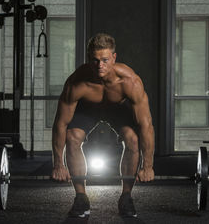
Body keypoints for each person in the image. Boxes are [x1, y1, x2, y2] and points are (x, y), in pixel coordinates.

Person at [51, 33, 155, 218]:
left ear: (114, 57)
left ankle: (126, 197)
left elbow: (146, 125)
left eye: (105, 60)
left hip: (116, 109)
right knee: (72, 136)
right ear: (89, 58)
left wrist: (148, 166)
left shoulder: (130, 82)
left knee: (132, 139)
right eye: (95, 60)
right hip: (88, 109)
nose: (100, 65)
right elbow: (60, 123)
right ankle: (81, 197)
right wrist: (58, 164)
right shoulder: (76, 83)